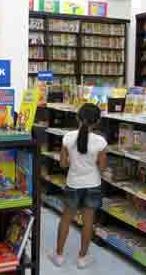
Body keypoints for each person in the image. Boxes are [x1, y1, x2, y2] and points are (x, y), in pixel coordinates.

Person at [50, 103, 107, 269]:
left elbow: (62, 164)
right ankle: (82, 258)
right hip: (93, 184)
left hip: (73, 183)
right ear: (97, 121)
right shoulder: (100, 141)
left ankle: (59, 255)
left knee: (66, 219)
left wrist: (73, 161)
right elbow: (102, 168)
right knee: (88, 222)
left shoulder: (67, 138)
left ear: (77, 118)